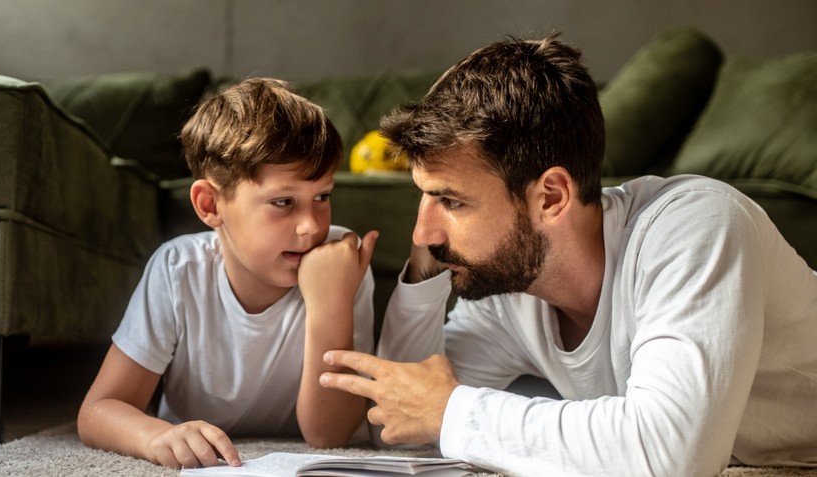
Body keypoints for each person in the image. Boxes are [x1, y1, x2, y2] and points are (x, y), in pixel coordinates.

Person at [318, 34, 817, 476]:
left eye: (452, 201)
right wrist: (425, 272)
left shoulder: (697, 226)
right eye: (423, 196)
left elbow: (671, 455)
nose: (423, 230)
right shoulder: (511, 289)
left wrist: (454, 412)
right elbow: (399, 420)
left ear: (551, 196)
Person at [77, 77, 379, 469]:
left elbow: (328, 436)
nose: (310, 226)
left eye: (322, 196)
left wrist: (331, 304)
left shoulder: (341, 265)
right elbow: (98, 409)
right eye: (283, 202)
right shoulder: (178, 270)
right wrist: (156, 437)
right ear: (210, 205)